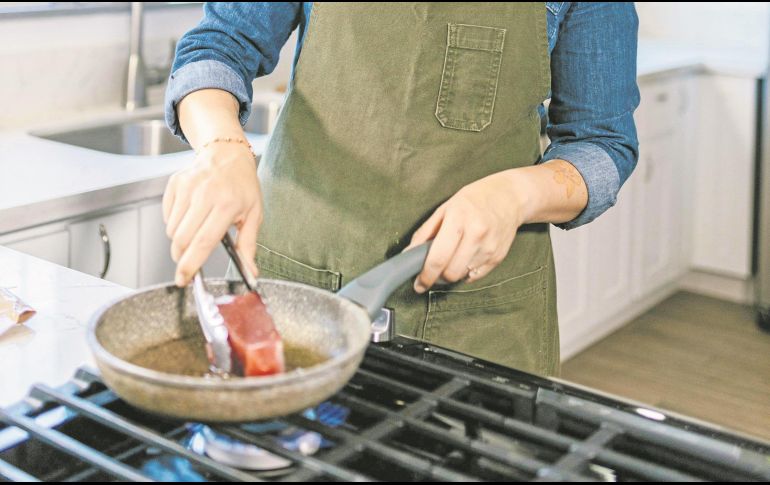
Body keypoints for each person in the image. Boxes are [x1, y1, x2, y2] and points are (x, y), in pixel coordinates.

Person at [163, 2, 640, 376]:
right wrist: (221, 147)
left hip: (476, 321)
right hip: (294, 291)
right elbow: (219, 46)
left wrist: (514, 195)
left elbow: (603, 144)